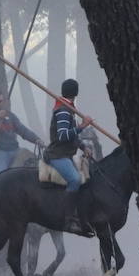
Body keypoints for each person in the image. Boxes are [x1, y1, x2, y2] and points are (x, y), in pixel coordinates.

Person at [43, 78, 94, 234]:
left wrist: (83, 146)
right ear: (76, 93)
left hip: (66, 154)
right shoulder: (64, 110)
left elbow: (71, 137)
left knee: (87, 175)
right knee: (75, 179)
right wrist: (82, 126)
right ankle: (67, 220)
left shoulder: (68, 107)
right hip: (57, 155)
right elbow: (63, 136)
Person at [0, 89, 43, 173]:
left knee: (36, 166)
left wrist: (36, 139)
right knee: (2, 175)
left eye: (0, 101)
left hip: (15, 150)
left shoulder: (9, 115)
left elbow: (22, 130)